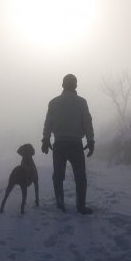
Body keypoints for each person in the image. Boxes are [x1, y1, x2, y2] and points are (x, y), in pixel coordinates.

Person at [42, 74, 95, 214]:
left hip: (59, 144)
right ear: (76, 85)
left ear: (62, 85)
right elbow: (87, 123)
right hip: (76, 145)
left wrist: (46, 139)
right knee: (80, 177)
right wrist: (90, 141)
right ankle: (81, 206)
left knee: (58, 176)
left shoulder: (53, 102)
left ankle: (60, 204)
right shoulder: (82, 102)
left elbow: (48, 123)